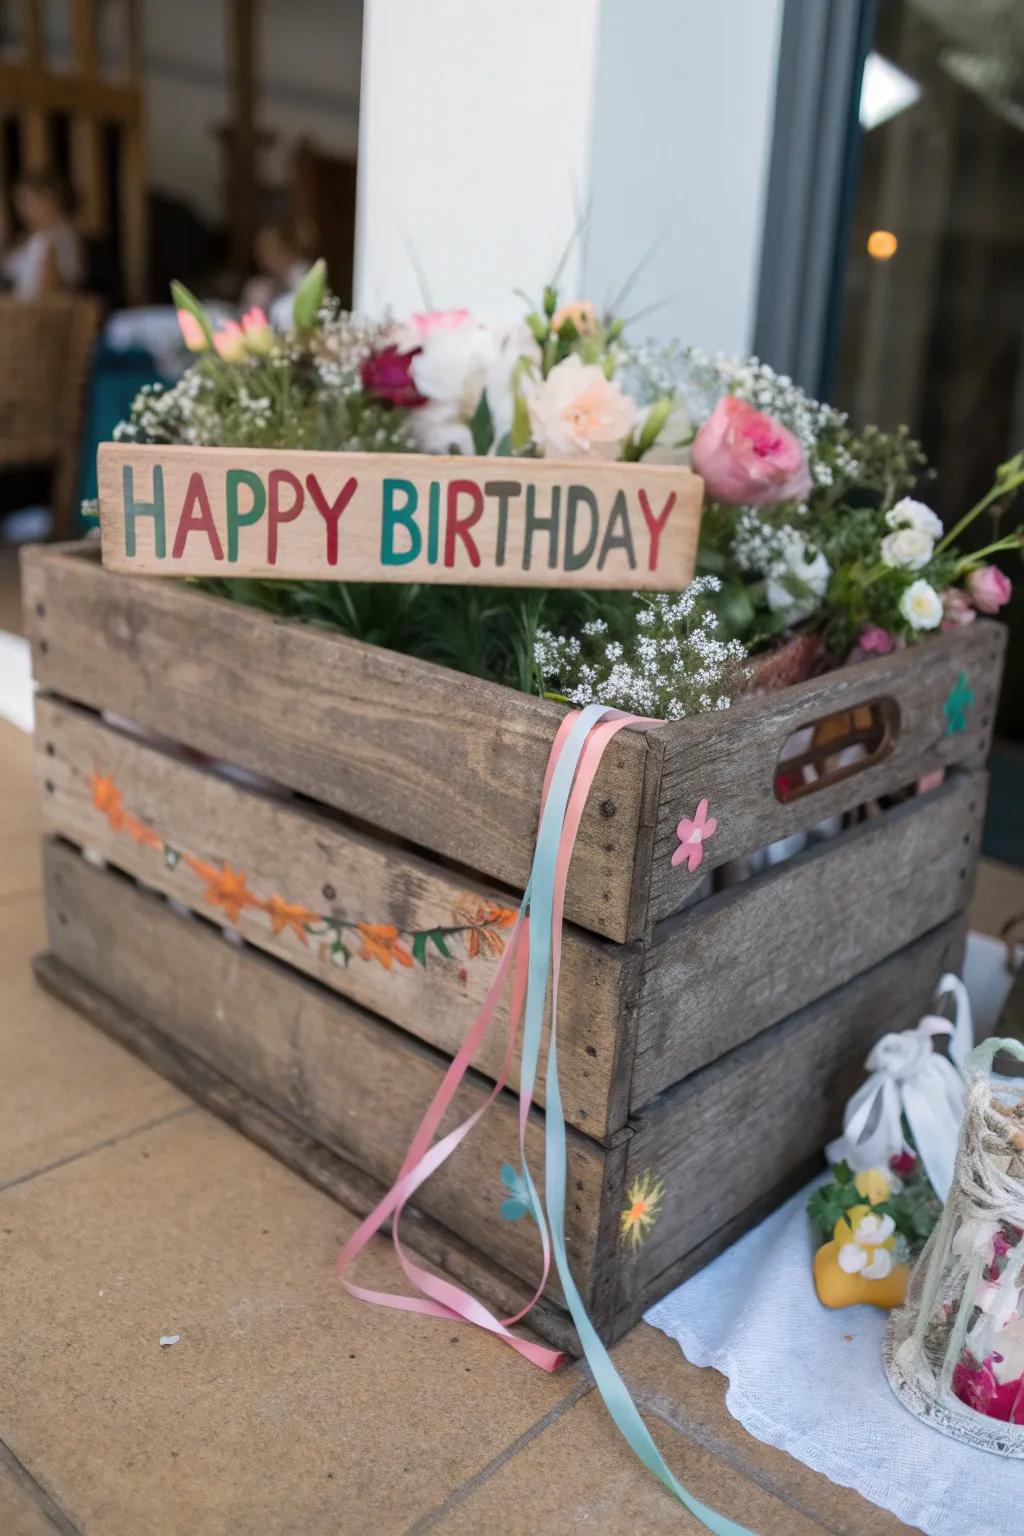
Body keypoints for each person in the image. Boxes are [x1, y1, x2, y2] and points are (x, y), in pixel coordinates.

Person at [1, 173, 83, 299]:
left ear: (51, 199)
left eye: (28, 202)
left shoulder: (55, 238)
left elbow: (45, 291)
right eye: (20, 205)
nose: (23, 212)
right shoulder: (33, 237)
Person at [241, 219, 311, 316]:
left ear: (286, 248)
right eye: (259, 251)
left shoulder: (303, 273)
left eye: (267, 248)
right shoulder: (266, 282)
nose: (260, 257)